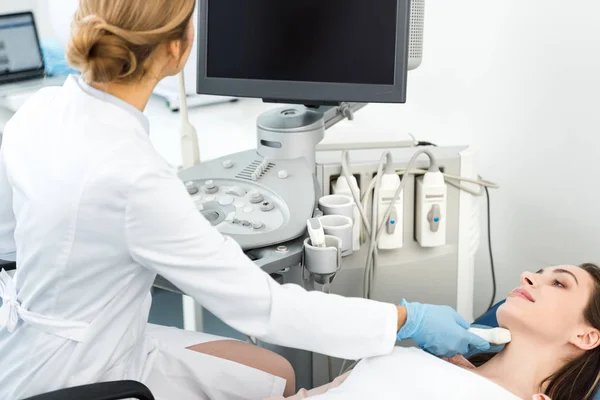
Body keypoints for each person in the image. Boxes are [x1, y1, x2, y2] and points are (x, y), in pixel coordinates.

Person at [0, 1, 490, 399]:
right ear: (179, 47)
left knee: (277, 374)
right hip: (83, 373)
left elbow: (7, 245)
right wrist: (406, 319)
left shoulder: (39, 109)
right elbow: (266, 309)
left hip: (37, 340)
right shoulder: (134, 176)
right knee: (276, 374)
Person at [271, 264, 600, 400]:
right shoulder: (425, 357)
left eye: (559, 283)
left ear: (586, 336)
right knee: (275, 371)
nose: (528, 274)